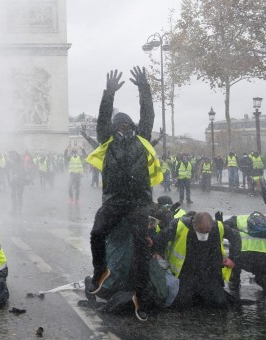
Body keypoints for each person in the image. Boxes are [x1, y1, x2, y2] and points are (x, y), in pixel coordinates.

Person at [84, 67, 161, 321]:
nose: (125, 127)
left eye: (129, 125)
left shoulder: (143, 139)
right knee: (96, 233)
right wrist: (109, 94)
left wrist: (144, 88)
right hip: (115, 200)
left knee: (142, 251)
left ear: (134, 127)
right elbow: (102, 118)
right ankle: (100, 272)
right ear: (115, 127)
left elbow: (148, 114)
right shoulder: (107, 140)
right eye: (121, 124)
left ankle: (142, 296)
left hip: (139, 202)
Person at [153, 211, 238, 308]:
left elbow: (236, 237)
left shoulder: (218, 227)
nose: (203, 234)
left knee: (219, 303)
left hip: (209, 272)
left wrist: (232, 258)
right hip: (186, 272)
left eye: (207, 231)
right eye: (200, 230)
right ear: (194, 224)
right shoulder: (179, 225)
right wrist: (157, 253)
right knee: (181, 304)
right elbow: (160, 238)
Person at [223, 212, 266, 290]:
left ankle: (234, 283)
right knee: (262, 276)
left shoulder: (239, 220)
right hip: (262, 261)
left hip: (241, 257)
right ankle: (261, 279)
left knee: (234, 250)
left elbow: (222, 228)